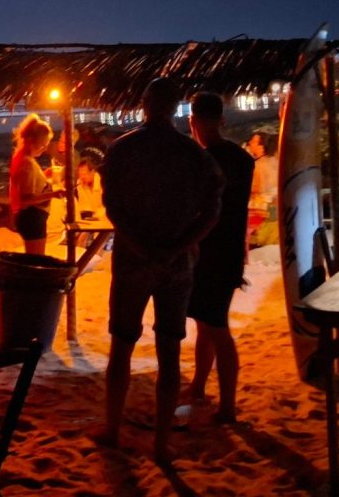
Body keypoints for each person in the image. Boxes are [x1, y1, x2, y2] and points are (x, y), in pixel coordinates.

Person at [97, 77, 223, 463]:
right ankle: (161, 444)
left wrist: (139, 244)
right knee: (169, 350)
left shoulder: (123, 149)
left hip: (134, 262)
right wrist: (180, 246)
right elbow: (213, 210)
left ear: (145, 104)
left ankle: (112, 429)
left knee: (122, 345)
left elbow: (112, 206)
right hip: (176, 265)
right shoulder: (194, 154)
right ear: (175, 109)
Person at [186, 92, 254, 423]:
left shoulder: (202, 161)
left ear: (193, 122)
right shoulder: (243, 159)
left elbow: (196, 209)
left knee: (216, 327)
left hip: (207, 251)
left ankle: (227, 405)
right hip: (230, 251)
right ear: (223, 120)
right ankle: (199, 386)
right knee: (207, 323)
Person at [9, 114, 64, 255]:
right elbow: (26, 199)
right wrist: (53, 194)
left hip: (32, 217)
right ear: (32, 140)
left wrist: (43, 176)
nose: (44, 148)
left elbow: (27, 184)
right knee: (35, 259)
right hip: (31, 217)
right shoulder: (26, 162)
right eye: (44, 143)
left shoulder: (23, 158)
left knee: (35, 258)